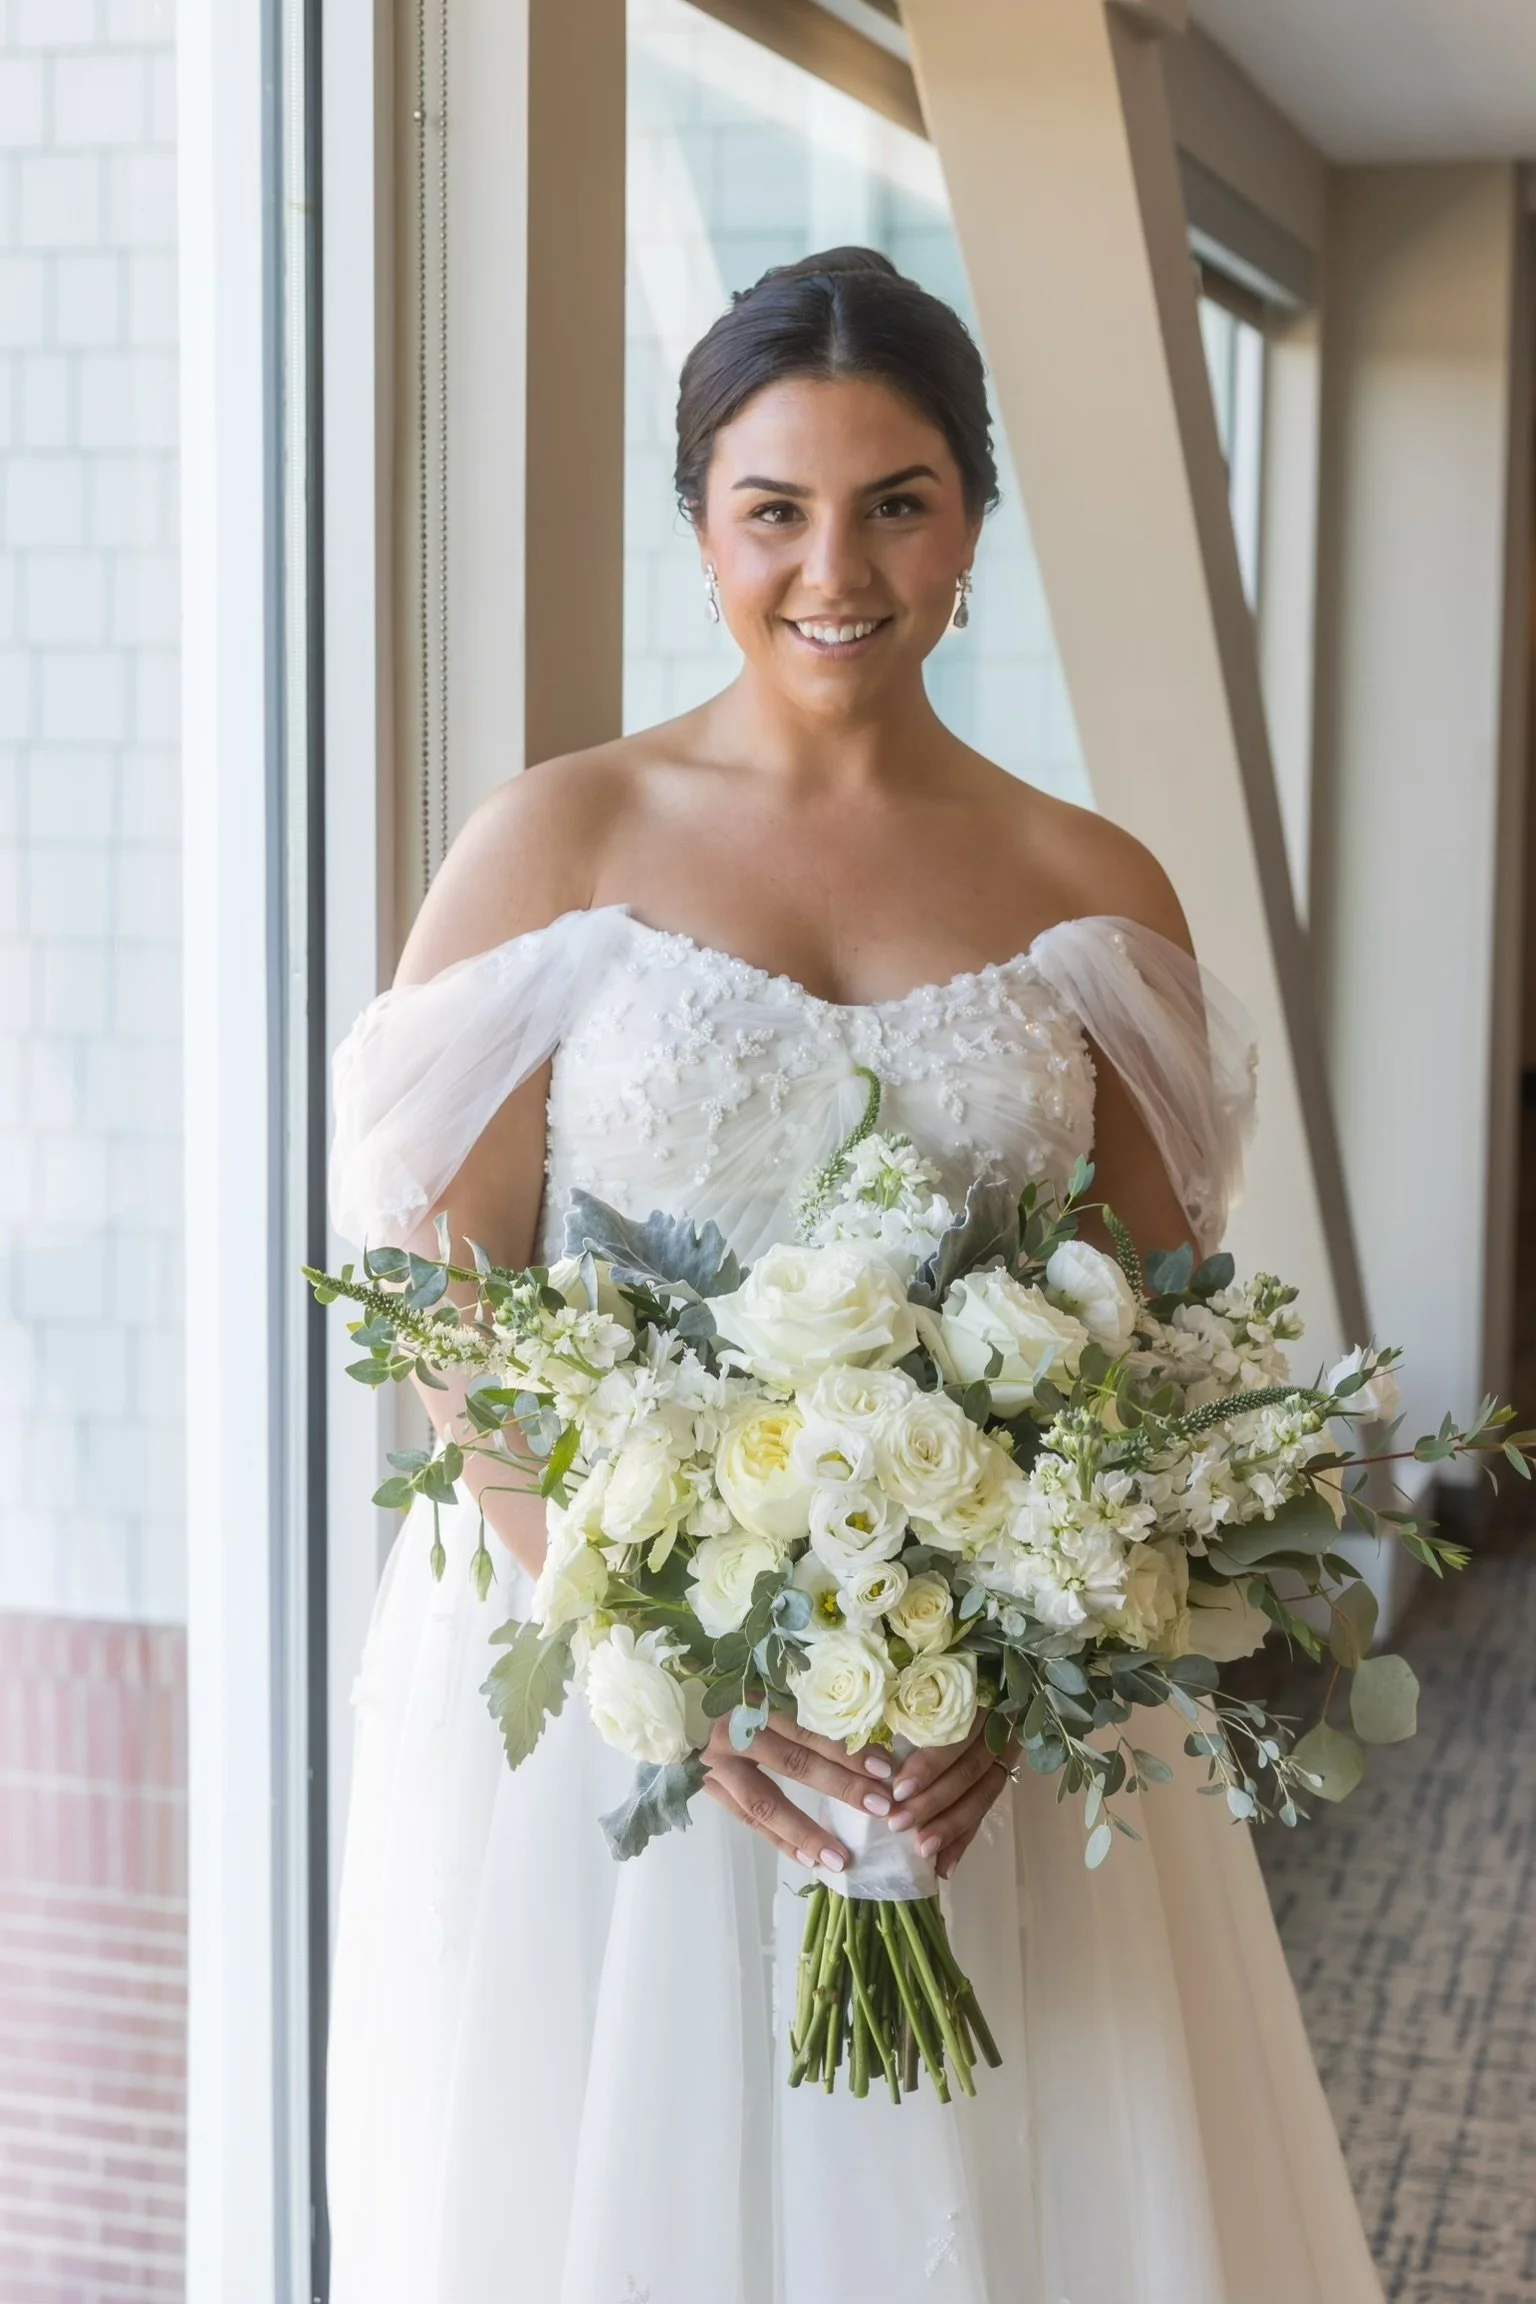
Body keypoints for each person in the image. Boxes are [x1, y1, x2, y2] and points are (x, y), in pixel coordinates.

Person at [325, 249, 1382, 2303]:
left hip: (983, 1698)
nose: (838, 570)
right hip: (615, 1662)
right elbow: (448, 1294)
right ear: (702, 522)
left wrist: (1029, 1633)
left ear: (973, 518)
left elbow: (1153, 1319)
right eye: (774, 509)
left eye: (897, 500)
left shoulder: (1092, 888)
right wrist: (653, 1641)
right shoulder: (557, 840)